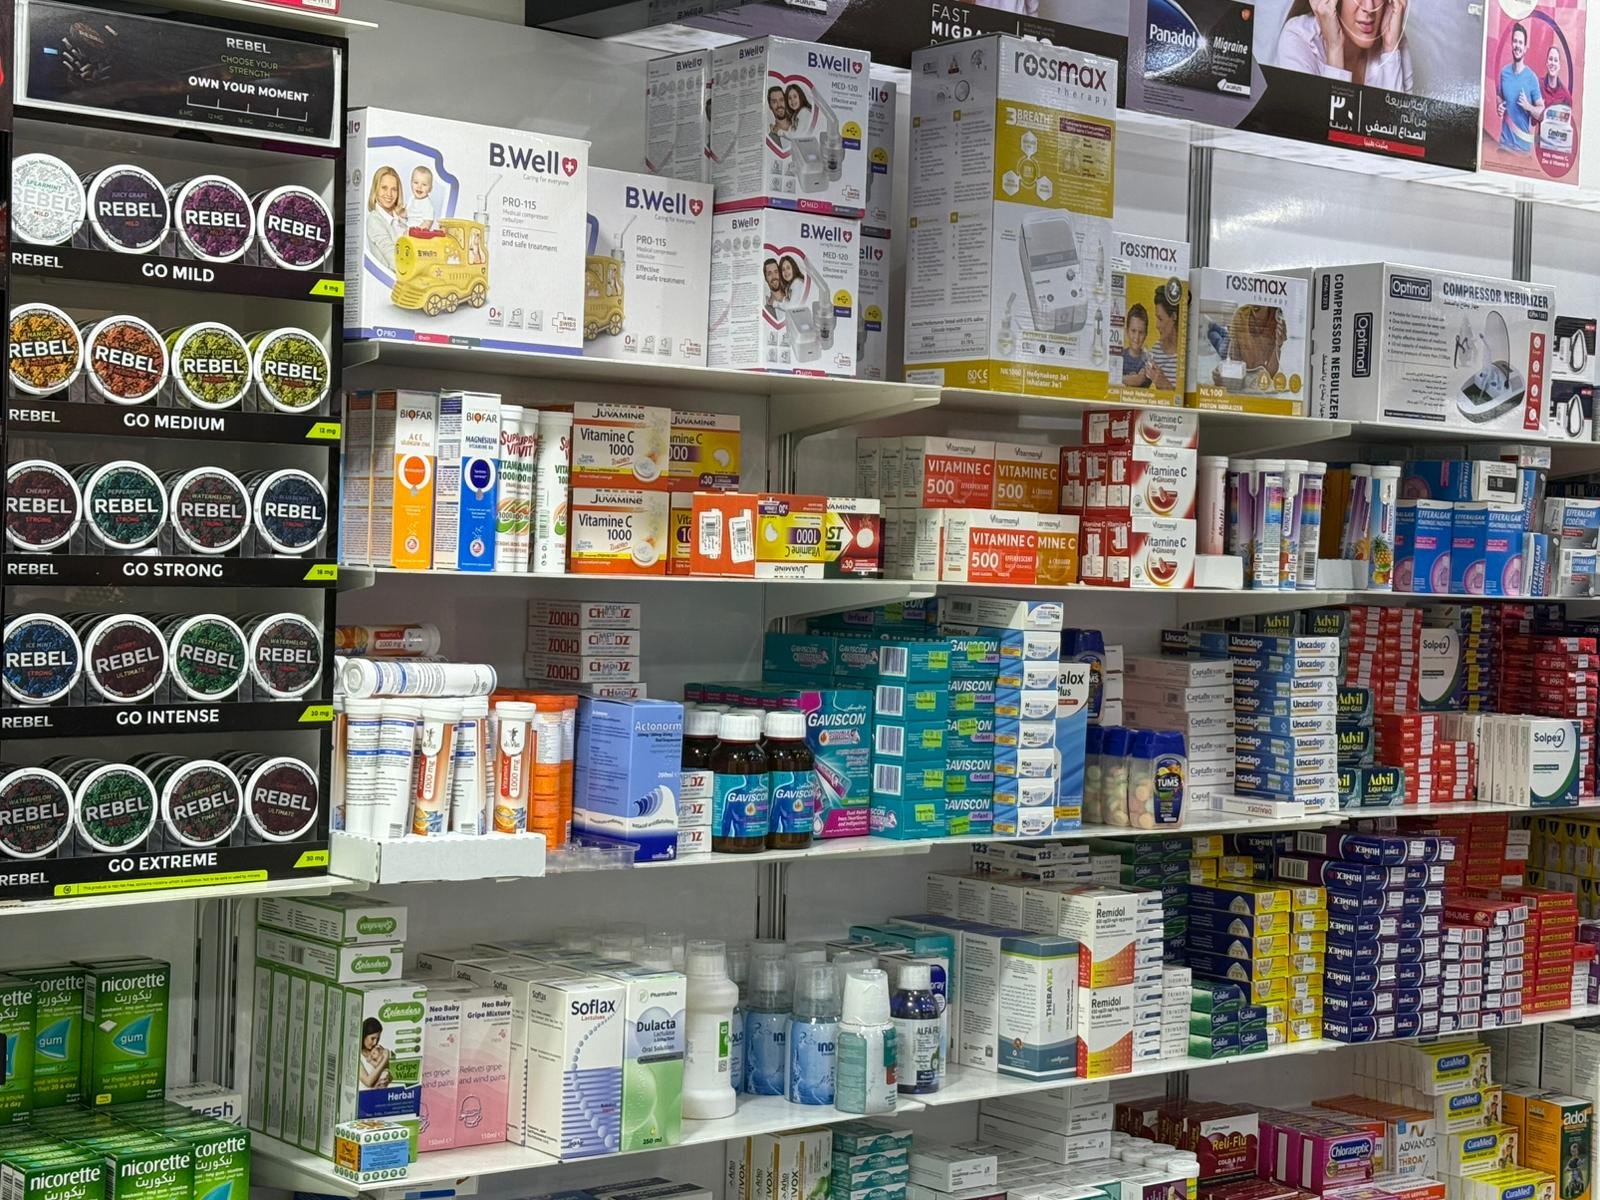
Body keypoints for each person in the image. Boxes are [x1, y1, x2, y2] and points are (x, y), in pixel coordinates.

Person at [1275, 0, 1412, 91]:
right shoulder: (1298, 37)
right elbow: (1314, 125)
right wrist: (1334, 48)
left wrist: (1390, 49)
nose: (1369, 8)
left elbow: (1397, 123)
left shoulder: (1393, 37)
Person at [1497, 22, 1544, 154]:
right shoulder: (1504, 73)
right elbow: (1499, 96)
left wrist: (1528, 106)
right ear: (1512, 44)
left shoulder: (1531, 78)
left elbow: (1541, 112)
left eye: (1520, 43)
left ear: (1525, 48)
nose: (1517, 45)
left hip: (1522, 150)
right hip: (1504, 145)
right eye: (1515, 41)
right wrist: (1499, 106)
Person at [365, 165, 407, 272]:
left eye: (394, 189)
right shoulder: (374, 220)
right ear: (376, 189)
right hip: (392, 279)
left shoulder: (403, 218)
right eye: (384, 188)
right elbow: (394, 260)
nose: (389, 194)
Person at [1149, 287, 1181, 391]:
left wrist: (1165, 385)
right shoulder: (1154, 352)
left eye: (1160, 319)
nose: (1156, 325)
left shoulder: (1186, 354)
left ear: (1173, 317)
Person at [1121, 303, 1154, 388]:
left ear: (1146, 334)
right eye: (1133, 331)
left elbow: (1138, 380)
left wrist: (1118, 377)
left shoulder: (1147, 359)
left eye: (1141, 332)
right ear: (1127, 331)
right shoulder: (1120, 356)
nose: (1137, 337)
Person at [359, 1017, 392, 1089]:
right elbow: (368, 1082)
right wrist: (385, 1059)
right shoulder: (355, 1055)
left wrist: (388, 1077)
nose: (375, 1042)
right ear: (364, 1035)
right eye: (372, 1038)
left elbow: (389, 1072)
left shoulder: (377, 1050)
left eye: (378, 1039)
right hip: (364, 1095)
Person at [1542, 43, 1573, 112]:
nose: (1553, 63)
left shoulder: (1566, 96)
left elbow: (1568, 117)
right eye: (1550, 59)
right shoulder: (1538, 86)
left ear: (1559, 66)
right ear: (1546, 63)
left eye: (1555, 60)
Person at [408, 165, 438, 230]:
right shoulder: (411, 199)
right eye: (416, 182)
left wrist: (418, 230)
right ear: (411, 183)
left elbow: (428, 222)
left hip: (420, 232)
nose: (419, 187)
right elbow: (407, 213)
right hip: (408, 230)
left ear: (430, 189)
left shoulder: (427, 204)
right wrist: (398, 211)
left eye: (424, 184)